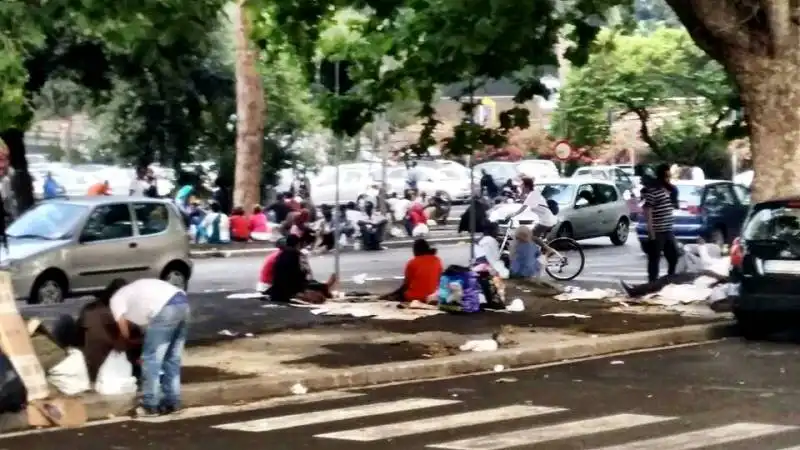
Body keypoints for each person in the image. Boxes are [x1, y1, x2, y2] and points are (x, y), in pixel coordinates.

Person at [106, 278, 190, 417]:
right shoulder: (136, 294)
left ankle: (150, 404)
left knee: (151, 360)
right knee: (172, 358)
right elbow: (149, 330)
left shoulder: (116, 298)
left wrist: (124, 345)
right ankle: (173, 402)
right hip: (183, 304)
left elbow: (124, 330)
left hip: (165, 308)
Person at [76, 281, 144, 383]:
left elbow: (78, 333)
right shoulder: (120, 315)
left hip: (87, 365)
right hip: (107, 368)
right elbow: (128, 340)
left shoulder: (88, 309)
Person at [267, 235, 336, 303]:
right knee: (314, 289)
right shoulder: (296, 254)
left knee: (311, 285)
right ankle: (324, 288)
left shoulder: (281, 255)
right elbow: (300, 274)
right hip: (290, 290)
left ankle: (323, 288)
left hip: (277, 290)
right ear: (298, 244)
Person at [641, 163, 679, 282]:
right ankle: (652, 282)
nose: (669, 177)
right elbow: (648, 210)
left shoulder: (668, 189)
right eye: (667, 174)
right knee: (654, 258)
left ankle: (669, 278)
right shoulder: (653, 190)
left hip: (668, 229)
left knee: (673, 255)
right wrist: (651, 231)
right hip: (657, 231)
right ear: (662, 174)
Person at [504, 177, 559, 255]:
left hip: (546, 221)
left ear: (526, 187)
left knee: (532, 236)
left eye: (522, 186)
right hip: (545, 219)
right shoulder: (534, 193)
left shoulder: (532, 195)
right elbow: (525, 202)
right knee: (529, 236)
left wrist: (510, 215)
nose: (521, 188)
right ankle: (536, 253)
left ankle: (548, 249)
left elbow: (521, 210)